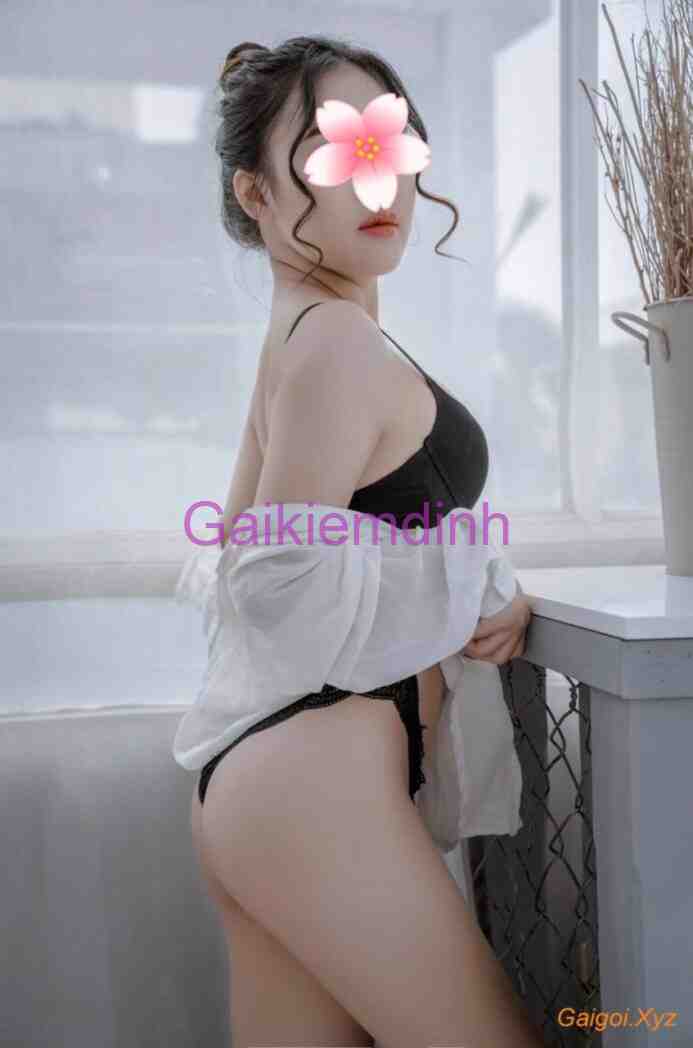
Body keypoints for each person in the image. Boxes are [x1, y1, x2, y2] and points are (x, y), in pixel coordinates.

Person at [187, 34, 540, 1048]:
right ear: (256, 194)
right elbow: (280, 586)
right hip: (314, 783)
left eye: (386, 144)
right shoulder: (336, 341)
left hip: (273, 785)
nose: (375, 183)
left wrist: (469, 571)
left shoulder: (304, 337)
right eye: (332, 155)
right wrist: (481, 579)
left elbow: (238, 556)